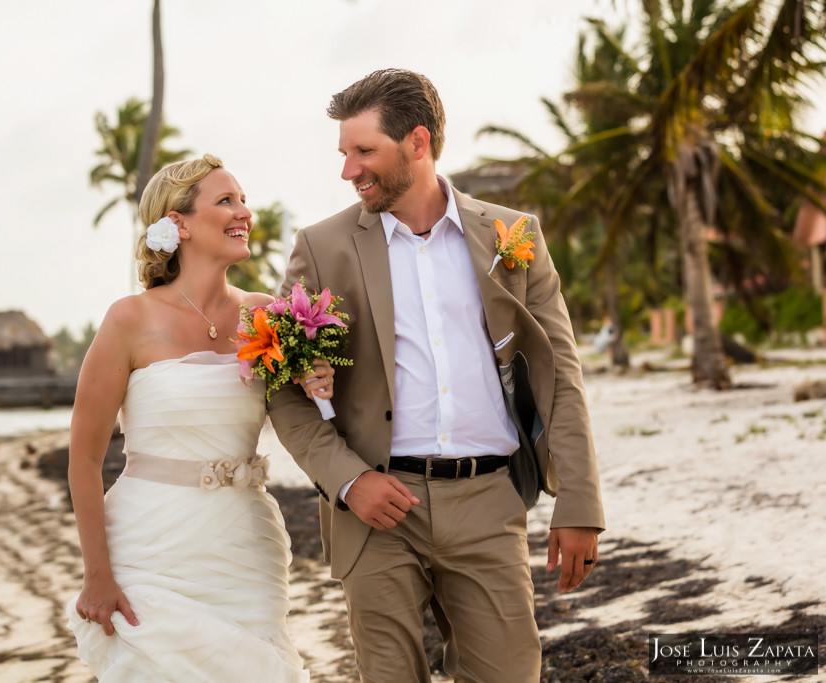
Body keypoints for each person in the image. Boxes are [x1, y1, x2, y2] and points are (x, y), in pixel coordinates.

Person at [267, 69, 605, 682]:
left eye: (364, 151)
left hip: (490, 500)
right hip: (376, 510)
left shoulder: (513, 237)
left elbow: (561, 376)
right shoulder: (323, 248)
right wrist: (349, 481)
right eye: (345, 153)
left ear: (417, 143)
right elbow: (284, 392)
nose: (349, 170)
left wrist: (578, 501)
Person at [65, 154, 328, 682]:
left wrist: (320, 378)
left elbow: (317, 417)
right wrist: (98, 576)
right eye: (225, 200)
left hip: (245, 549)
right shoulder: (129, 319)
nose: (244, 212)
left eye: (243, 199)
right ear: (179, 223)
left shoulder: (268, 316)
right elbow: (85, 458)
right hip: (150, 547)